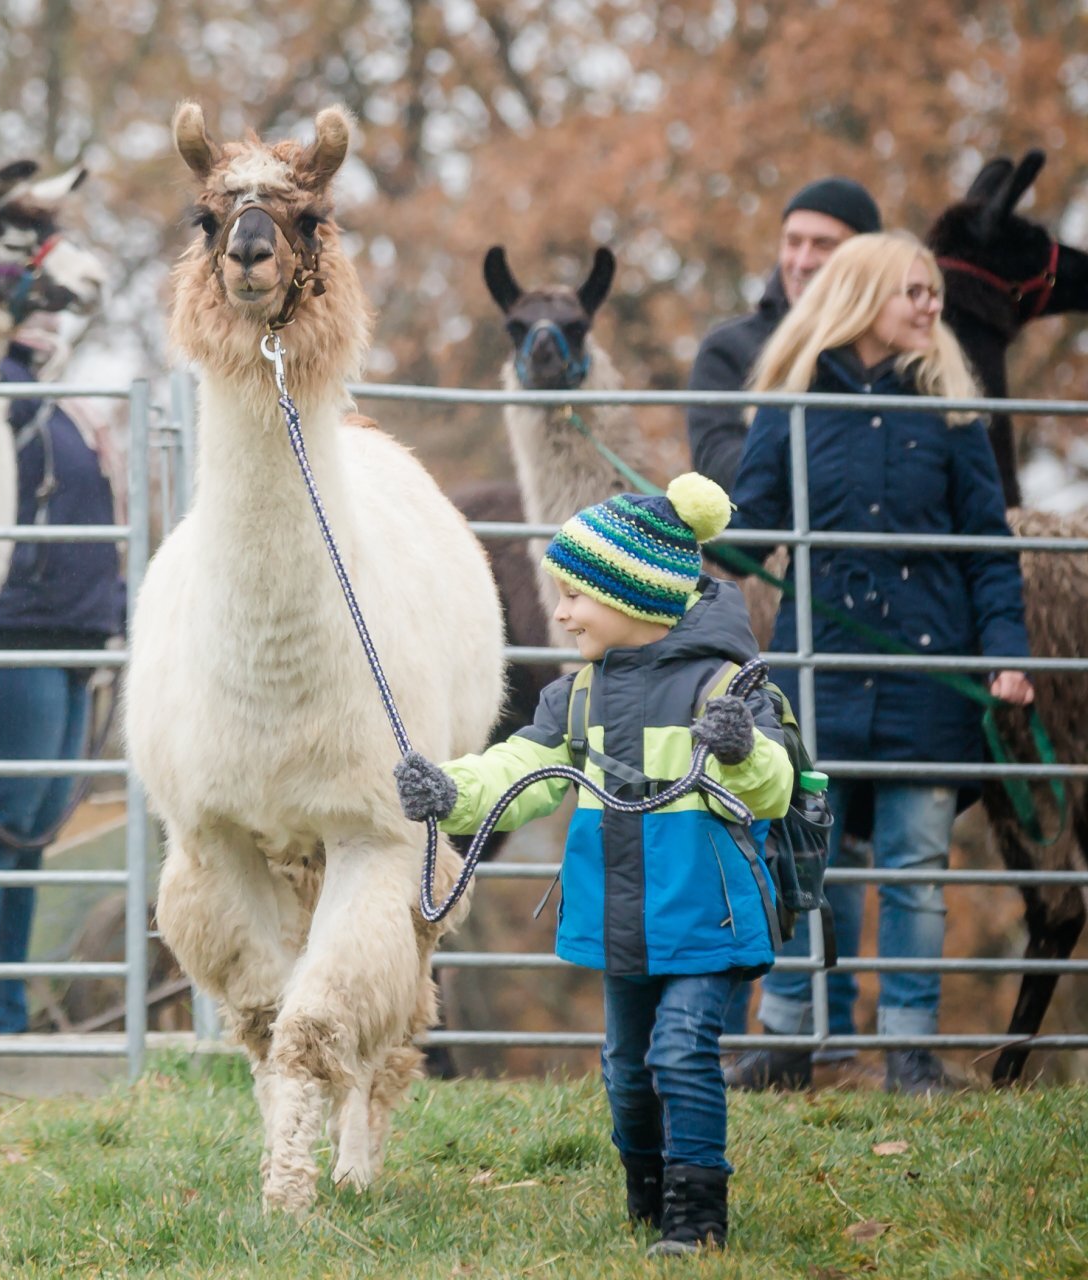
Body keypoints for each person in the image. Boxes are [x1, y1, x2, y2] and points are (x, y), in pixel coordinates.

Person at [396, 474, 793, 1256]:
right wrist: (452, 791)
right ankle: (647, 1198)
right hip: (624, 917)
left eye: (577, 594)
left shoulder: (725, 688)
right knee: (625, 1070)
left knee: (680, 1052)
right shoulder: (578, 698)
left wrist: (742, 752)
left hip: (704, 914)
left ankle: (696, 1213)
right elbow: (517, 770)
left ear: (638, 598)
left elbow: (774, 786)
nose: (562, 611)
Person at [725, 231, 1034, 1096]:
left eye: (932, 294)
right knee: (798, 858)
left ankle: (909, 1050)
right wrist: (694, 522)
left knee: (913, 869)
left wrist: (1005, 652)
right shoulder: (794, 405)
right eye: (916, 292)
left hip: (926, 675)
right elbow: (751, 526)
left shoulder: (952, 415)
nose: (932, 307)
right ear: (865, 296)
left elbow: (986, 544)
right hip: (817, 675)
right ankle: (787, 1043)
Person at [0, 313, 125, 1088]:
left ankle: (0, 1018)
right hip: (7, 632)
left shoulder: (42, 392)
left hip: (70, 635)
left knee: (31, 828)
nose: (50, 314)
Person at [687, 177, 882, 491]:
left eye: (823, 245)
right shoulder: (727, 349)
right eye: (793, 242)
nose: (802, 262)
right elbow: (716, 464)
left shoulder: (898, 350)